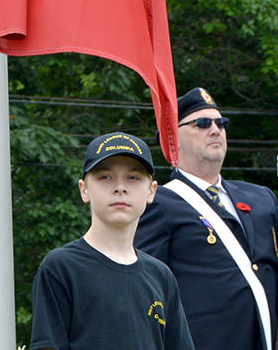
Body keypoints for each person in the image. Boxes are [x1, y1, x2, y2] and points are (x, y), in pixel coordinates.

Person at [134, 87, 278, 350]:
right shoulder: (159, 203)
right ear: (173, 140)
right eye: (202, 123)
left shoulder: (260, 198)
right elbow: (145, 291)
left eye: (221, 123)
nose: (215, 130)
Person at [30, 131, 195, 350]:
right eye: (105, 177)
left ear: (151, 190)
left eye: (133, 177)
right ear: (84, 189)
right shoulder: (61, 267)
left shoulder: (161, 276)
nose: (120, 187)